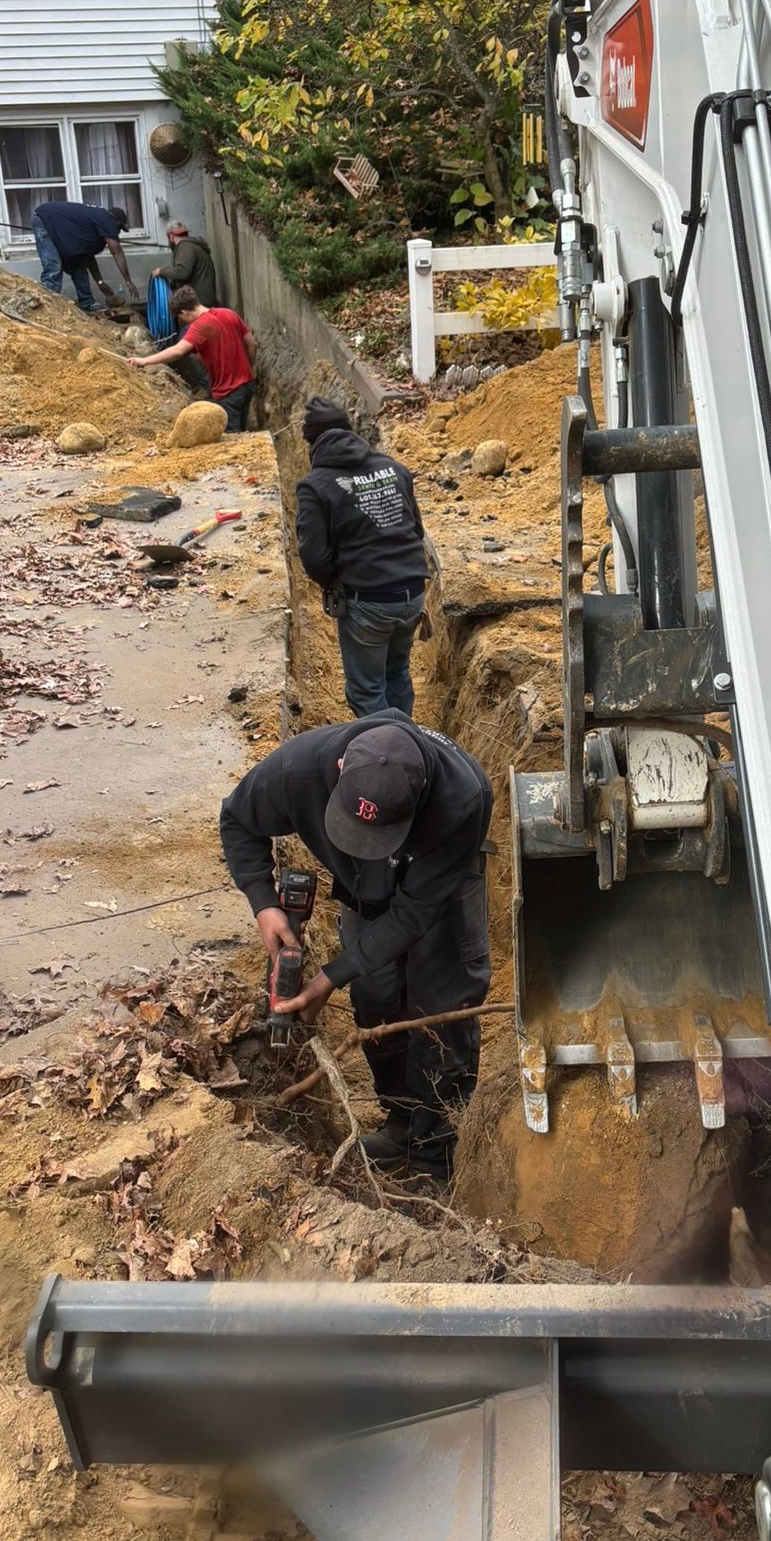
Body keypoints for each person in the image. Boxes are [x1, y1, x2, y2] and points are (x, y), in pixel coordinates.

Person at [220, 715, 493, 1180]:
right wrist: (263, 903)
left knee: (440, 1007)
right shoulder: (299, 770)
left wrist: (327, 979)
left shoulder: (462, 797)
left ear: (421, 797)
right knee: (375, 996)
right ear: (341, 768)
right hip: (363, 886)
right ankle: (400, 1121)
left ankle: (434, 1153)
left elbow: (413, 914)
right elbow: (238, 819)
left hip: (439, 886)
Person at [295, 396, 428, 719]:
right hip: (413, 593)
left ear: (311, 441)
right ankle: (407, 746)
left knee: (367, 690)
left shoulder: (315, 486)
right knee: (396, 673)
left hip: (368, 601)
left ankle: (384, 758)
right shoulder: (394, 469)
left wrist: (334, 581)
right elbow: (417, 530)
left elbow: (313, 556)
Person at [127, 287, 257, 432]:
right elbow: (252, 343)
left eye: (181, 318)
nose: (183, 321)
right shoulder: (228, 313)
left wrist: (144, 361)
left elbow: (178, 351)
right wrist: (247, 368)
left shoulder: (199, 326)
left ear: (184, 312)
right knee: (245, 430)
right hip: (247, 384)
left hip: (228, 391)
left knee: (233, 436)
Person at [32, 199, 135, 312]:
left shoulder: (95, 226)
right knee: (54, 265)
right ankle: (46, 306)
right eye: (119, 229)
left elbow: (88, 257)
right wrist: (128, 281)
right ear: (117, 222)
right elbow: (117, 251)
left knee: (79, 264)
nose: (117, 233)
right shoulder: (107, 220)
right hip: (44, 218)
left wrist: (100, 283)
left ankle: (87, 302)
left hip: (58, 224)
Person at [151, 222, 219, 306]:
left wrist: (161, 271)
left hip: (199, 304)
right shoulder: (191, 246)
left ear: (171, 236)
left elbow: (183, 272)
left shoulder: (185, 247)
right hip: (203, 301)